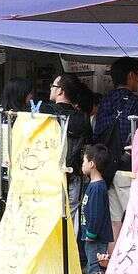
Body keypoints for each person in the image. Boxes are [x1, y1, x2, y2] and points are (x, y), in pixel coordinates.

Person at [92, 57, 138, 243]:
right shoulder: (137, 103)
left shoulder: (105, 100)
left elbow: (97, 133)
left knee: (114, 222)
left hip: (105, 168)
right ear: (131, 76)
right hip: (126, 168)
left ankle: (112, 264)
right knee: (133, 219)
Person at [52, 74, 93, 225]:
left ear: (60, 91)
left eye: (53, 86)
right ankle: (69, 247)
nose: (51, 88)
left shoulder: (46, 113)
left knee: (49, 214)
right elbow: (88, 144)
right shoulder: (82, 118)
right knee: (71, 215)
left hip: (48, 175)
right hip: (74, 173)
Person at [78, 143, 113, 274]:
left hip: (96, 238)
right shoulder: (94, 185)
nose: (82, 164)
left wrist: (90, 234)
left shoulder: (98, 188)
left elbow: (96, 215)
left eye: (84, 161)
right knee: (94, 266)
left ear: (92, 164)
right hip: (91, 237)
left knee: (96, 268)